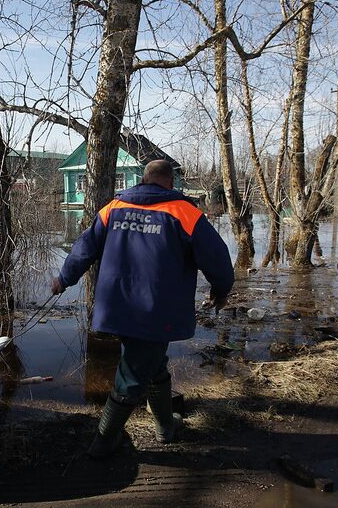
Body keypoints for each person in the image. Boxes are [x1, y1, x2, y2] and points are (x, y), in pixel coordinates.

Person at [51, 159, 234, 459]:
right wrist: (221, 290)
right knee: (133, 375)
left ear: (144, 180)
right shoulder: (185, 213)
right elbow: (217, 258)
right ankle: (105, 441)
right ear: (169, 183)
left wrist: (64, 279)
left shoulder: (113, 208)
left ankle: (165, 428)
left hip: (116, 308)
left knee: (152, 365)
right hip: (155, 312)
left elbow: (84, 248)